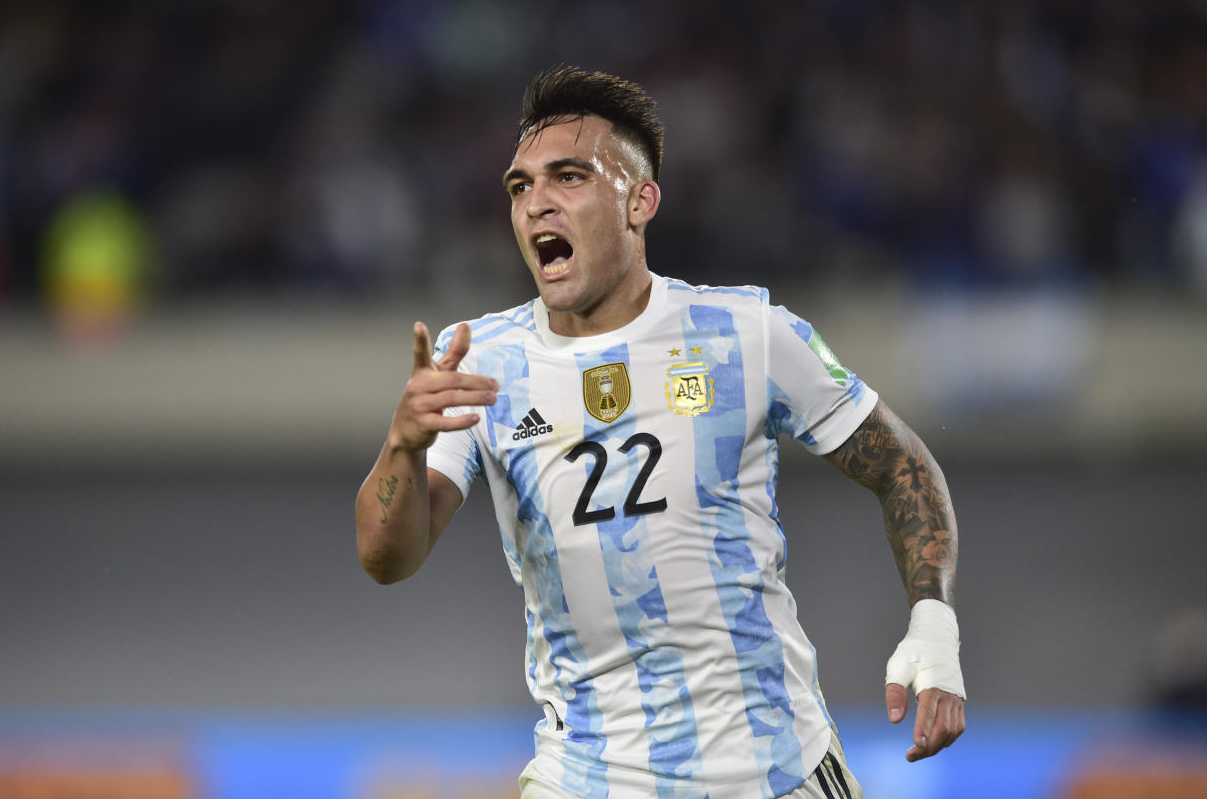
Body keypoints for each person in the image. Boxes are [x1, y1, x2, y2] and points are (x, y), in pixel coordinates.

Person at [355, 65, 965, 798]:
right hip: (584, 779)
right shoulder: (480, 360)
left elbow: (900, 460)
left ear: (640, 200)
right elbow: (386, 558)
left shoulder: (748, 335)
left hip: (771, 773)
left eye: (569, 177)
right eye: (520, 187)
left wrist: (934, 622)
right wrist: (403, 443)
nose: (536, 204)